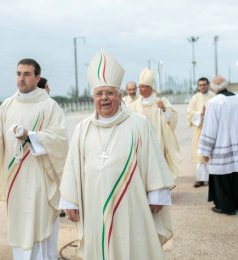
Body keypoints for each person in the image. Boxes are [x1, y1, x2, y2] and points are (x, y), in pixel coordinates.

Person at [59, 50, 175, 259]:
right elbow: (72, 166)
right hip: (93, 204)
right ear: (93, 97)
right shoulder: (82, 128)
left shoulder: (139, 124)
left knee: (133, 245)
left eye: (110, 93)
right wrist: (70, 201)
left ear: (119, 95)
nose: (104, 98)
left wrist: (156, 194)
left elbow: (153, 160)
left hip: (132, 205)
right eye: (99, 93)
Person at [0, 59, 68, 259]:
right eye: (18, 73)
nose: (21, 79)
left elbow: (60, 138)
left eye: (26, 74)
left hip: (41, 177)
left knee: (39, 224)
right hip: (16, 179)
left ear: (37, 77)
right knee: (20, 224)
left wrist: (31, 137)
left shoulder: (50, 106)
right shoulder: (8, 104)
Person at [198, 76, 238, 215]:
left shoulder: (214, 102)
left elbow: (210, 128)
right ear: (226, 85)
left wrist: (205, 151)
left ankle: (226, 207)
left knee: (222, 177)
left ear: (212, 87)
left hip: (222, 145)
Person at [132, 68, 181, 177]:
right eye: (139, 86)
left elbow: (172, 119)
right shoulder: (135, 105)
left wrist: (164, 109)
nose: (139, 89)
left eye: (143, 86)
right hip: (141, 142)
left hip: (158, 141)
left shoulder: (161, 101)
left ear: (150, 88)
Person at [187, 77, 215, 188]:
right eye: (200, 85)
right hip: (199, 130)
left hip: (212, 130)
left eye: (204, 84)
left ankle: (211, 179)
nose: (202, 87)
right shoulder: (194, 98)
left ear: (208, 85)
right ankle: (200, 179)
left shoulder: (214, 97)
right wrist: (200, 113)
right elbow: (189, 113)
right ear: (198, 86)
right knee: (200, 156)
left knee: (211, 156)